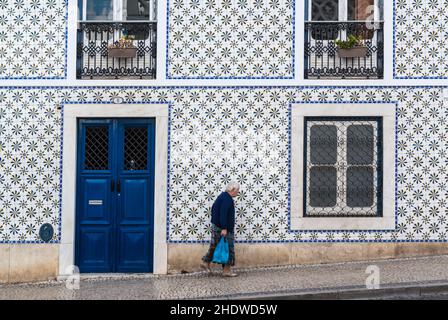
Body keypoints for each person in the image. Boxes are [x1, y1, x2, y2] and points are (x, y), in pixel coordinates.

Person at [200, 181, 240, 277]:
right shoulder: (227, 199)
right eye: (237, 191)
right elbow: (223, 214)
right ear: (232, 189)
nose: (238, 193)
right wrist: (224, 228)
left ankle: (205, 262)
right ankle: (226, 270)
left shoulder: (222, 196)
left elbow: (214, 210)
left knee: (215, 246)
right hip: (223, 228)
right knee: (228, 248)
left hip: (218, 226)